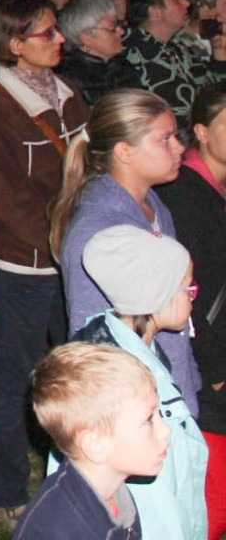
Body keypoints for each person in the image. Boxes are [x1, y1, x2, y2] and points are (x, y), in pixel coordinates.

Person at [0, 0, 90, 518]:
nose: (60, 39)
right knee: (17, 377)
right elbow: (8, 200)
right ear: (15, 46)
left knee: (77, 374)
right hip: (22, 267)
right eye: (46, 33)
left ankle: (73, 482)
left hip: (71, 259)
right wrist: (65, 239)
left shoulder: (67, 95)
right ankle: (10, 491)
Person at [51, 89, 200, 414]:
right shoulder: (102, 233)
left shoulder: (150, 204)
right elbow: (96, 341)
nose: (179, 148)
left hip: (166, 388)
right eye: (165, 139)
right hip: (131, 406)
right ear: (125, 152)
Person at [77, 227, 209, 539]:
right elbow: (153, 505)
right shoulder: (126, 384)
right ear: (157, 294)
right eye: (188, 288)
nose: (193, 297)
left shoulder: (129, 346)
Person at [156, 82, 226, 538]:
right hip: (210, 365)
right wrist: (216, 368)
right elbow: (192, 291)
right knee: (211, 500)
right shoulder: (185, 195)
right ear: (200, 130)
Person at [13, 343, 166, 540]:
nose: (165, 431)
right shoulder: (56, 528)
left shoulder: (117, 496)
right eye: (148, 420)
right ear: (95, 444)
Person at [122, 0, 226, 119]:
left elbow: (215, 92)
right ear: (155, 12)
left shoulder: (177, 48)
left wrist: (219, 49)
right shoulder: (136, 57)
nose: (187, 3)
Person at [55, 0, 132, 107]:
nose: (121, 31)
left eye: (119, 24)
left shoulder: (122, 65)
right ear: (86, 37)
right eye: (113, 28)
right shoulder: (71, 79)